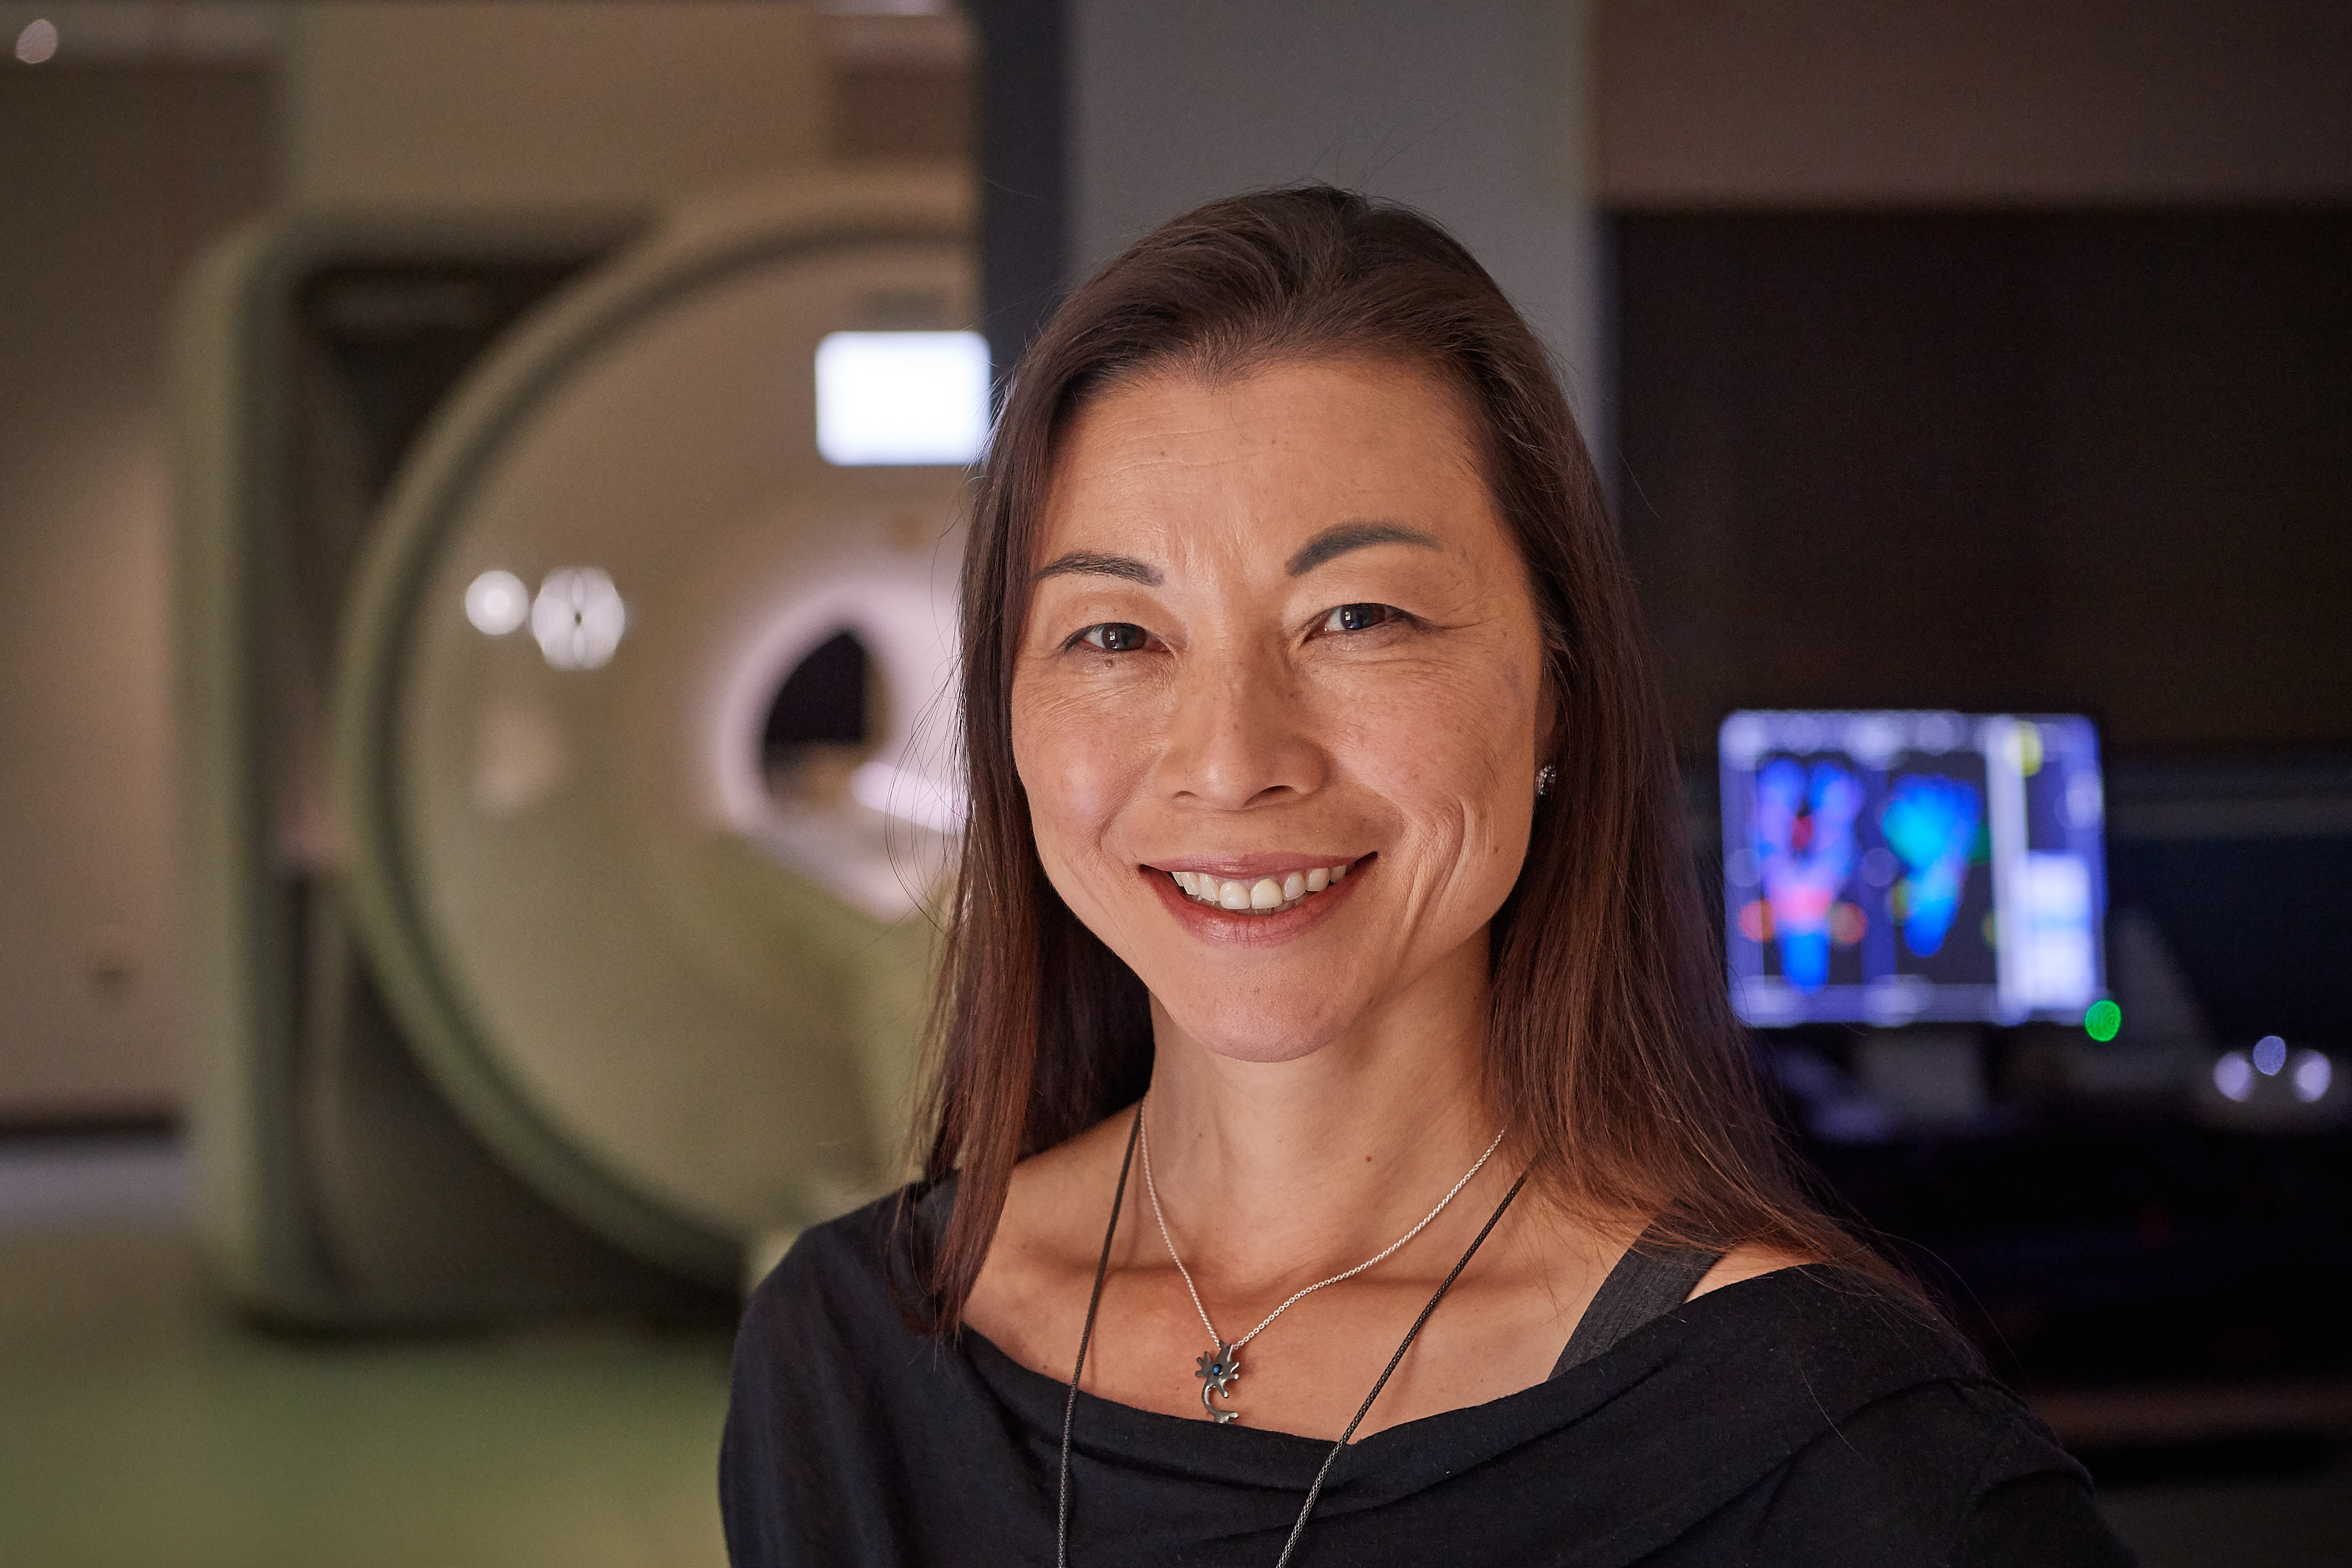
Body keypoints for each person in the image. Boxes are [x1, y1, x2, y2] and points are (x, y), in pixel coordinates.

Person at [720, 186, 2136, 1567]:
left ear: (1556, 694)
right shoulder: (854, 1358)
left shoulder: (1838, 1450)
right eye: (1115, 635)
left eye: (1357, 616)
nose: (1231, 760)